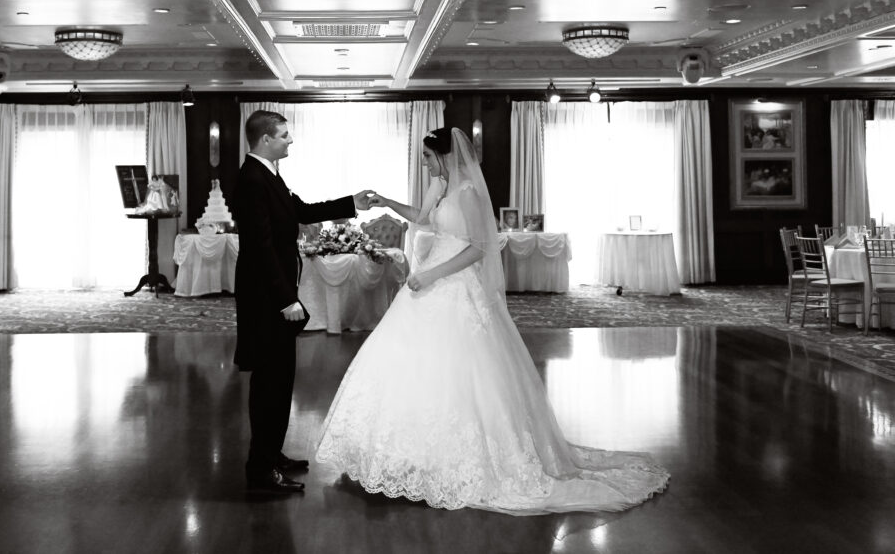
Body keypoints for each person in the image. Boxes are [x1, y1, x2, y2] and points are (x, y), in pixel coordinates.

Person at [316, 127, 669, 514]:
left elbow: (477, 250)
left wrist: (432, 275)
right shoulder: (440, 184)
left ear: (446, 156)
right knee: (407, 362)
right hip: (426, 281)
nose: (424, 161)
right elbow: (421, 217)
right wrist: (386, 202)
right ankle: (403, 456)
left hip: (451, 282)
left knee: (463, 368)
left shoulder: (467, 193)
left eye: (428, 155)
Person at [233, 110, 375, 495]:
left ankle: (270, 455)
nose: (290, 140)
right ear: (265, 139)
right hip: (267, 301)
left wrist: (351, 202)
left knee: (279, 383)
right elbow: (260, 247)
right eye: (283, 135)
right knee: (269, 386)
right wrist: (285, 300)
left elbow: (302, 211)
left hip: (273, 298)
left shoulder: (269, 175)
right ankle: (260, 474)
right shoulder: (251, 180)